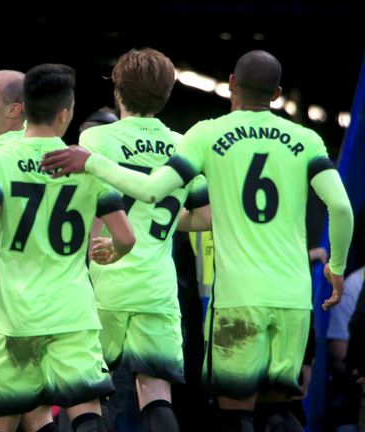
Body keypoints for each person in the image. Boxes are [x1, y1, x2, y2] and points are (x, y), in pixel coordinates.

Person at [41, 50, 354, 431]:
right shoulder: (303, 139)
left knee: (92, 395)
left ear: (232, 85)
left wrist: (89, 160)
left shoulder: (201, 134)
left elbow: (145, 191)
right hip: (270, 293)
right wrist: (336, 268)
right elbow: (340, 208)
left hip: (198, 290)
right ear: (277, 93)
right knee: (272, 409)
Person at [0, 63, 135, 432]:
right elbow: (126, 237)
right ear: (65, 113)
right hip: (73, 311)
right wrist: (112, 252)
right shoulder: (86, 163)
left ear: (25, 108)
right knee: (85, 409)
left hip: (15, 314)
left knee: (0, 420)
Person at [80, 48, 210, 432]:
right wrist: (164, 225)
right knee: (155, 393)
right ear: (167, 94)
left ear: (117, 92)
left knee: (90, 393)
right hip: (157, 285)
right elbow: (205, 216)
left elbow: (84, 205)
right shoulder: (183, 144)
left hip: (102, 280)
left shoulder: (94, 138)